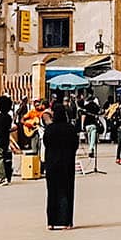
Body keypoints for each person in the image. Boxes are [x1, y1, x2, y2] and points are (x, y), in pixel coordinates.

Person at [45, 92, 80, 230]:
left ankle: (52, 222)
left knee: (52, 192)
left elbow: (46, 144)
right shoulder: (70, 129)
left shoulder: (50, 129)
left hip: (52, 164)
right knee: (66, 191)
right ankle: (66, 221)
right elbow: (75, 146)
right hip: (67, 164)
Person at [0, 96, 14, 186]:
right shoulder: (9, 117)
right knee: (4, 158)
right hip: (6, 139)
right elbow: (8, 128)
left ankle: (2, 177)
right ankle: (2, 177)